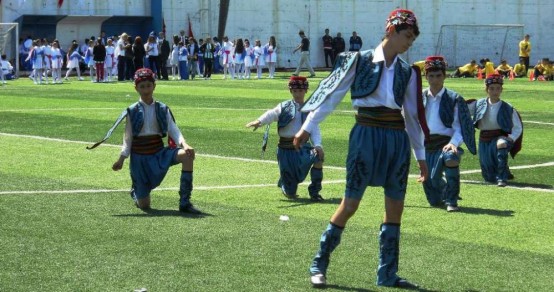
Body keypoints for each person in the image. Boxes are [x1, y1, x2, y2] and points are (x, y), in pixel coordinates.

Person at [294, 9, 428, 289]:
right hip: (365, 135)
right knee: (350, 204)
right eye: (406, 36)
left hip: (396, 140)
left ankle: (387, 274)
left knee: (395, 208)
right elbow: (332, 95)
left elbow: (412, 117)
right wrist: (307, 126)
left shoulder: (409, 72)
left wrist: (422, 157)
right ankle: (319, 263)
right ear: (391, 31)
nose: (408, 43)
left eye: (412, 39)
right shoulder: (359, 60)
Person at [87, 68, 201, 213]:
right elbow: (127, 139)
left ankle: (185, 202)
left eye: (148, 85)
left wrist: (185, 144)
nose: (146, 90)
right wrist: (121, 159)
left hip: (159, 154)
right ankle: (136, 192)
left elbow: (173, 129)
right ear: (136, 88)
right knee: (145, 205)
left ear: (154, 86)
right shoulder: (132, 111)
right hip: (140, 160)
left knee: (187, 155)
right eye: (142, 86)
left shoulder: (162, 108)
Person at [246, 76, 325, 201]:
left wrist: (318, 145)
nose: (297, 94)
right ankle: (287, 185)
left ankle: (314, 191)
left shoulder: (311, 109)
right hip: (286, 150)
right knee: (290, 192)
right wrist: (259, 121)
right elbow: (271, 114)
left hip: (303, 148)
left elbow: (314, 128)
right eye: (294, 91)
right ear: (291, 91)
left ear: (305, 91)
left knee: (318, 156)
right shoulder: (284, 106)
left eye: (300, 91)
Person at [421, 56, 476, 212]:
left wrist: (453, 143)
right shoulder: (419, 97)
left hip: (446, 143)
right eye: (431, 76)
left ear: (444, 76)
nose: (435, 79)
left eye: (438, 75)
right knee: (433, 199)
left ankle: (452, 200)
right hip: (426, 144)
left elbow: (461, 127)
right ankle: (444, 191)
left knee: (451, 158)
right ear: (426, 77)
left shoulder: (454, 98)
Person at [467, 74, 523, 187]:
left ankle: (502, 177)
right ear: (486, 89)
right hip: (484, 138)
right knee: (488, 176)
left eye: (498, 88)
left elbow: (518, 127)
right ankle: (504, 172)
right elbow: (462, 110)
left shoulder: (508, 107)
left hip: (500, 136)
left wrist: (510, 138)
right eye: (492, 88)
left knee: (501, 144)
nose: (495, 91)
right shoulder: (478, 104)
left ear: (502, 89)